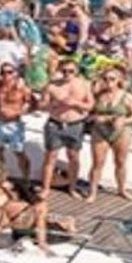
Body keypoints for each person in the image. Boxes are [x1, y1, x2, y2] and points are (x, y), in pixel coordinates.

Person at [37, 58, 93, 200]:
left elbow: (90, 105)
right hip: (55, 123)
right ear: (60, 71)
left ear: (77, 71)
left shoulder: (84, 85)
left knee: (74, 157)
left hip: (75, 124)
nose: (67, 73)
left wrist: (76, 103)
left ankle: (72, 187)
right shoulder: (52, 86)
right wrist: (54, 105)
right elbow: (41, 105)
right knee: (50, 157)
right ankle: (45, 188)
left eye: (71, 71)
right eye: (64, 71)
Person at [87, 67, 132, 202]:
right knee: (97, 163)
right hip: (100, 131)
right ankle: (92, 192)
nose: (108, 82)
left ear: (119, 80)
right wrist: (95, 117)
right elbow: (88, 113)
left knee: (120, 162)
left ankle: (122, 189)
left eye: (112, 79)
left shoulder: (127, 97)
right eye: (105, 79)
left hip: (121, 131)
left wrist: (124, 120)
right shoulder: (98, 95)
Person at [0, 64, 33, 180]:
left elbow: (33, 104)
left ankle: (26, 179)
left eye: (9, 72)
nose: (6, 75)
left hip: (14, 124)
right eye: (3, 72)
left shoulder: (22, 88)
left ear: (15, 73)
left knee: (19, 152)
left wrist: (21, 111)